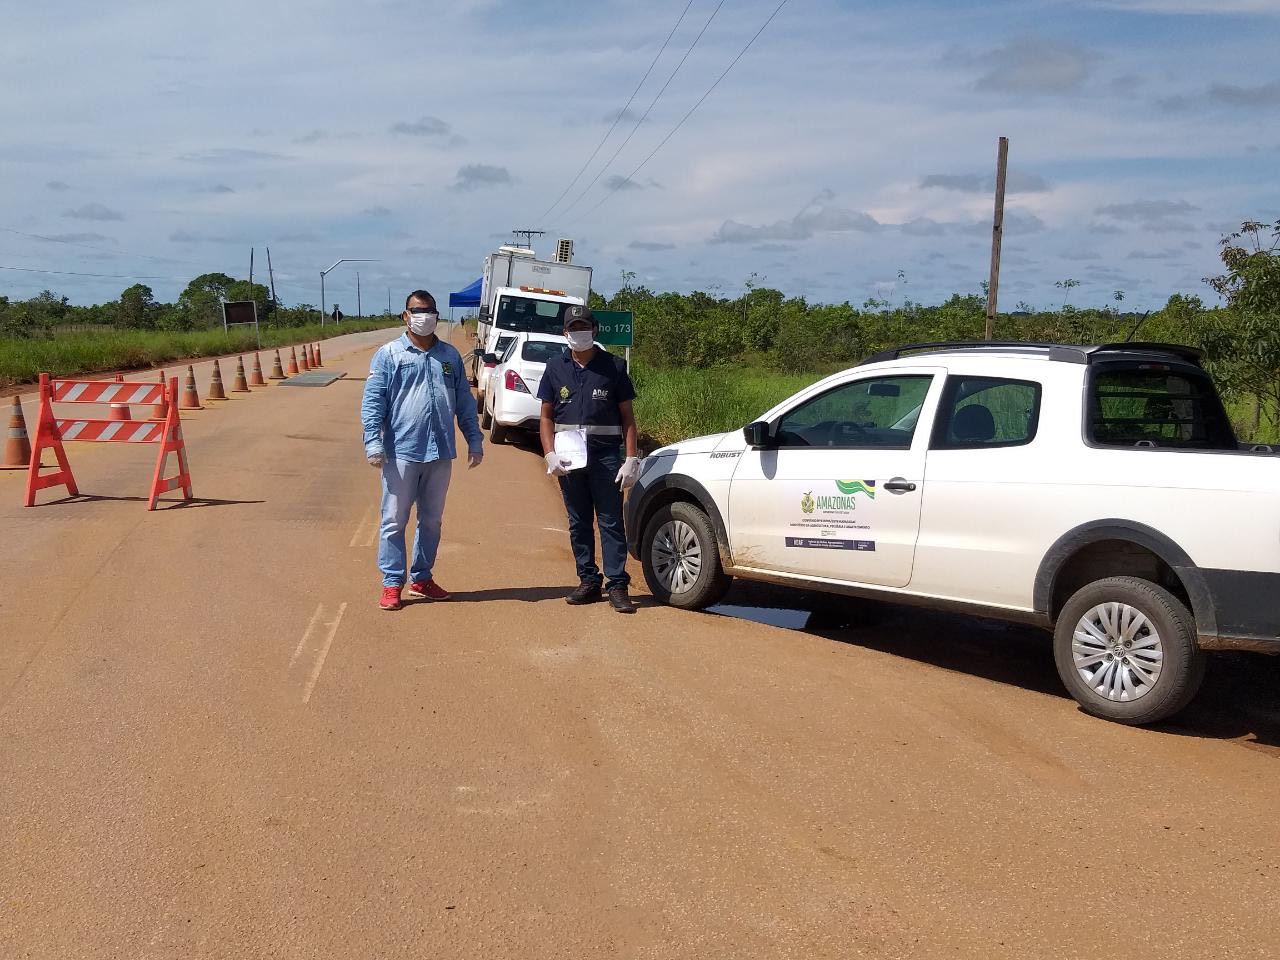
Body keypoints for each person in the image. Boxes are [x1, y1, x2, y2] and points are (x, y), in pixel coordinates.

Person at [362, 290, 483, 611]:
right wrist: (373, 442)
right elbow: (374, 401)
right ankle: (391, 583)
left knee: (431, 521)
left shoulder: (450, 356)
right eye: (417, 310)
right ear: (405, 315)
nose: (424, 316)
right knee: (393, 521)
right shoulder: (389, 355)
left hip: (440, 452)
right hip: (401, 451)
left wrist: (474, 439)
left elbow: (464, 402)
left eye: (429, 310)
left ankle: (422, 577)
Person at [538, 305, 641, 614]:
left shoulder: (614, 367)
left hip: (606, 456)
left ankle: (617, 585)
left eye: (584, 327)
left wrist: (631, 458)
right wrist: (549, 453)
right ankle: (588, 580)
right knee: (579, 521)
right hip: (569, 459)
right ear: (564, 333)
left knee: (610, 521)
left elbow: (628, 418)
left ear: (595, 331)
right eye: (573, 328)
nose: (578, 333)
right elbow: (545, 416)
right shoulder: (555, 367)